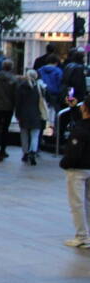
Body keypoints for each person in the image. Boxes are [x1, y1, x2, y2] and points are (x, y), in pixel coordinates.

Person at [62, 95, 90, 248]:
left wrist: (64, 164)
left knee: (77, 204)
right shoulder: (82, 125)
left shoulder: (80, 130)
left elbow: (74, 152)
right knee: (87, 203)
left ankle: (82, 236)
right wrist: (73, 109)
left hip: (78, 170)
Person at [15, 69, 46, 166]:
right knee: (35, 135)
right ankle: (33, 151)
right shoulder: (39, 87)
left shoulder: (21, 87)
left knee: (24, 134)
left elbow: (18, 102)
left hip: (24, 114)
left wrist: (17, 114)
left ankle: (25, 153)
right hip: (36, 114)